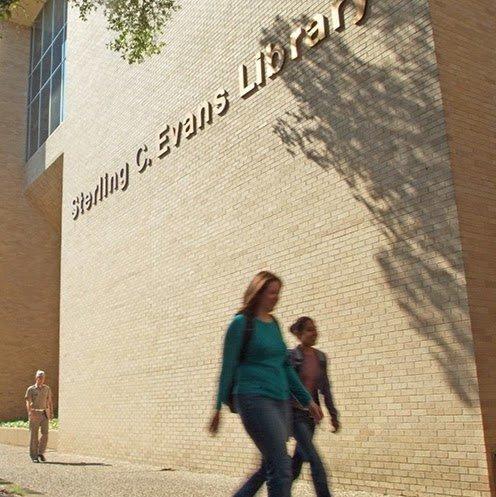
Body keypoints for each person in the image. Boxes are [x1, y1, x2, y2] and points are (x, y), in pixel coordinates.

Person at [209, 271, 323, 497]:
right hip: (253, 398)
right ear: (258, 293)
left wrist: (307, 400)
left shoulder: (274, 324)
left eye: (278, 293)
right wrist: (217, 408)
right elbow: (228, 366)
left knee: (269, 465)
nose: (276, 298)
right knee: (281, 466)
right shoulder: (241, 323)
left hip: (280, 399)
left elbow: (285, 366)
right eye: (272, 293)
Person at [289, 317, 340, 497]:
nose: (314, 332)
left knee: (295, 465)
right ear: (299, 334)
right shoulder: (291, 357)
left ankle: (279, 489)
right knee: (315, 461)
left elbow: (325, 389)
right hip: (295, 416)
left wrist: (333, 415)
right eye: (309, 330)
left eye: (315, 328)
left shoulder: (320, 358)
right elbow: (287, 386)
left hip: (312, 418)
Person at [25, 370, 54, 463]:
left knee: (45, 434)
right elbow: (28, 402)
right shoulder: (31, 389)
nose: (41, 379)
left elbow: (49, 401)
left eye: (43, 377)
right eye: (39, 377)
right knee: (34, 435)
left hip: (44, 413)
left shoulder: (47, 389)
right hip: (34, 413)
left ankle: (40, 453)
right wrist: (30, 412)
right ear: (36, 378)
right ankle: (34, 456)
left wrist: (51, 412)